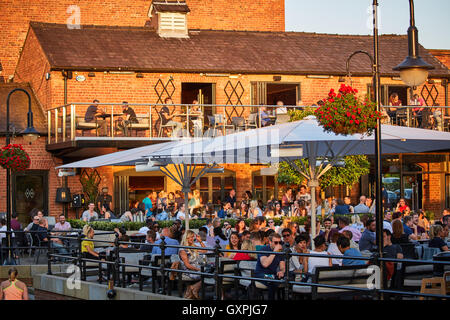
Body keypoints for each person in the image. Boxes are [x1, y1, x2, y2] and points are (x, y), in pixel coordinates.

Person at [255, 233, 286, 300]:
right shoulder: (264, 249)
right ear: (270, 242)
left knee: (288, 276)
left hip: (272, 274)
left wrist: (282, 271)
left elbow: (282, 266)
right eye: (276, 242)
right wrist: (274, 252)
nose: (278, 244)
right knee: (272, 280)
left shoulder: (280, 251)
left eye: (280, 242)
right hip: (260, 273)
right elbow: (265, 264)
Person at [179, 230, 207, 299]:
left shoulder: (193, 246)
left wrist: (200, 241)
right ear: (186, 238)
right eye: (191, 237)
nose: (192, 239)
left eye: (193, 237)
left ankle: (193, 288)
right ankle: (193, 289)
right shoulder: (182, 249)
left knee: (211, 272)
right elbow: (187, 265)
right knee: (207, 274)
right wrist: (198, 269)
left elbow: (204, 251)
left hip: (196, 268)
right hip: (189, 270)